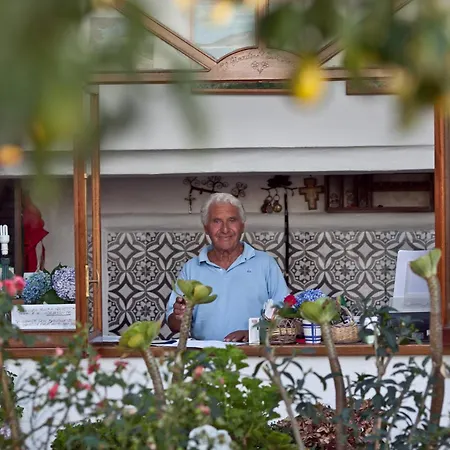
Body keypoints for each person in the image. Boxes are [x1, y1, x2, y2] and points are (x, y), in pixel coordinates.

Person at [166, 193, 289, 342]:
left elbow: (286, 317)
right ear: (206, 228)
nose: (225, 229)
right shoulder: (191, 268)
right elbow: (173, 325)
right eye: (217, 221)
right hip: (204, 354)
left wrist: (254, 334)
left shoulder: (266, 264)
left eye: (232, 220)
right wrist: (179, 316)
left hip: (254, 353)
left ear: (242, 226)